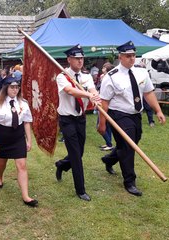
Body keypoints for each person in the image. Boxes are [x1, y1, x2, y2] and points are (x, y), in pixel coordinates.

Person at [97, 41, 166, 196]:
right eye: (128, 56)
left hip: (136, 115)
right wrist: (102, 124)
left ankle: (109, 159)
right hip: (119, 115)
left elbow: (148, 93)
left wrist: (158, 111)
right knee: (129, 148)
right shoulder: (111, 76)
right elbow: (104, 102)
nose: (132, 58)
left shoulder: (142, 72)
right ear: (120, 57)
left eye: (134, 55)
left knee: (132, 142)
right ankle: (130, 181)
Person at [54, 44, 101, 201]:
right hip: (67, 120)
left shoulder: (86, 77)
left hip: (80, 119)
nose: (80, 61)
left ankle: (62, 164)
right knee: (75, 154)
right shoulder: (62, 76)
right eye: (77, 58)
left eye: (82, 58)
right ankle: (80, 189)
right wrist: (88, 94)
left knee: (79, 152)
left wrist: (94, 96)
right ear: (69, 59)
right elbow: (70, 91)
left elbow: (93, 90)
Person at [0, 76, 38, 207]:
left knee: (22, 165)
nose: (15, 90)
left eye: (17, 87)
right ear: (5, 88)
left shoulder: (23, 103)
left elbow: (27, 122)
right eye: (12, 87)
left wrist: (29, 140)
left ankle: (26, 196)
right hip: (3, 136)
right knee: (1, 163)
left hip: (18, 136)